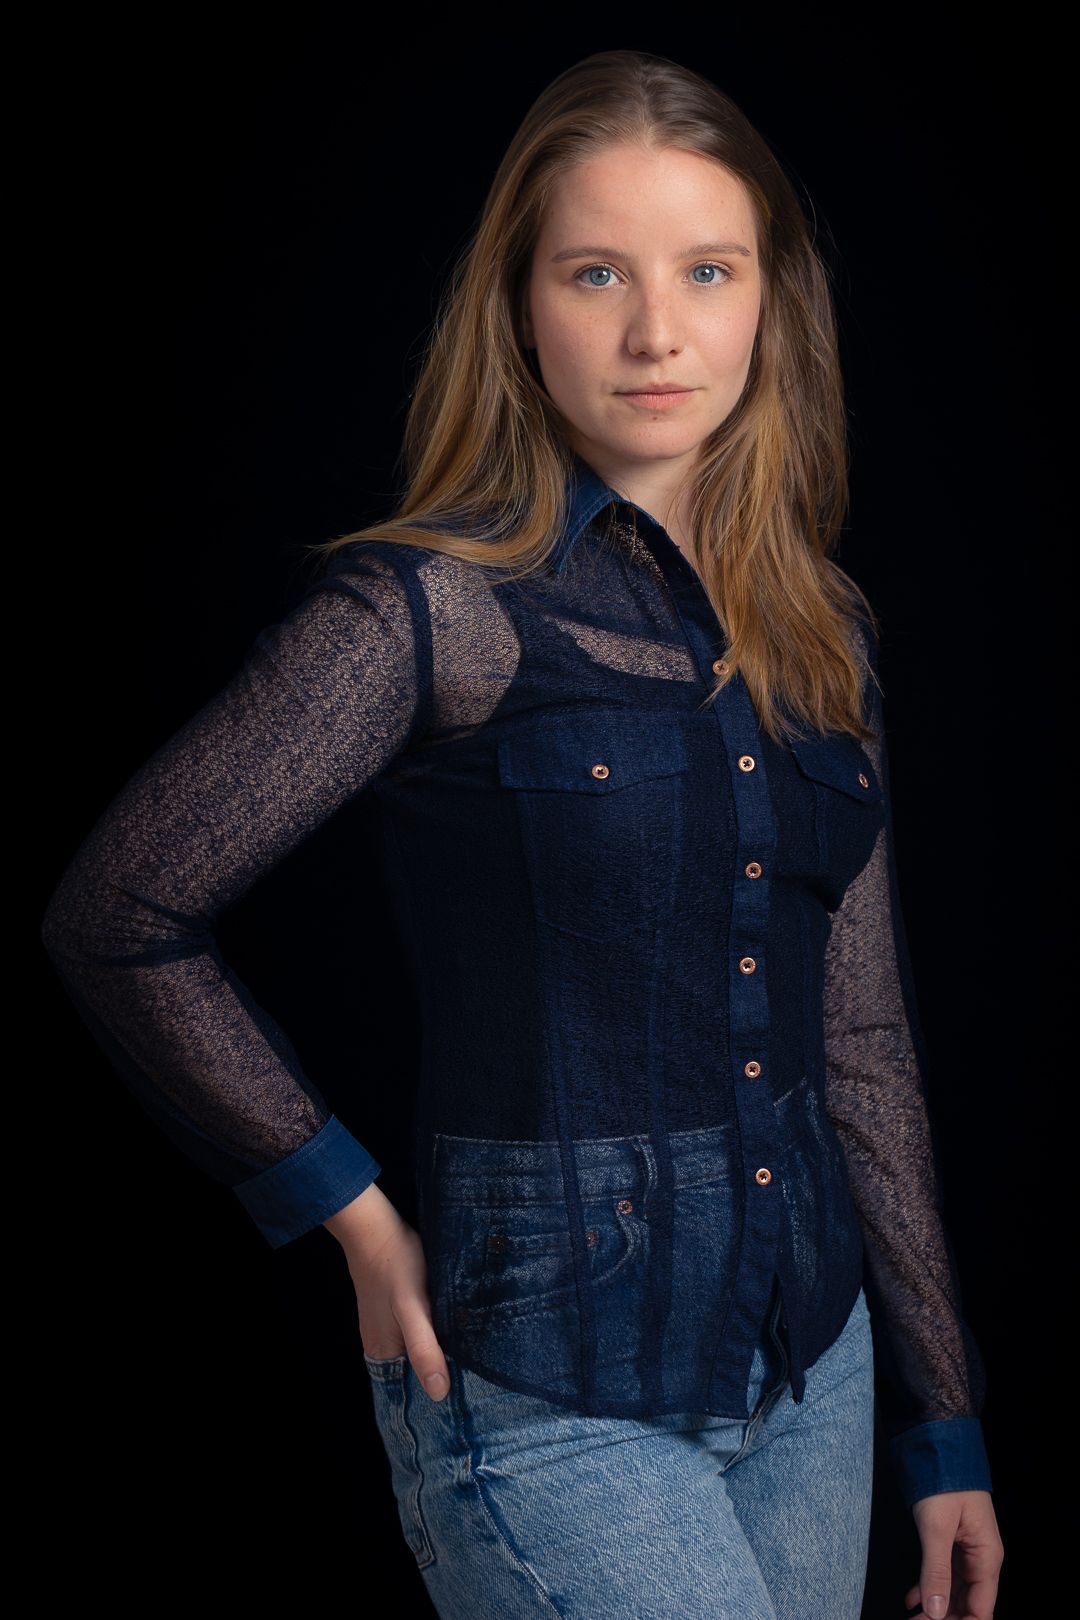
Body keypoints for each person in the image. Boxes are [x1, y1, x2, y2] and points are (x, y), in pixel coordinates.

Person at [40, 47, 1004, 1620]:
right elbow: (122, 910)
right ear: (520, 304)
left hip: (812, 1377)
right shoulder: (434, 610)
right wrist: (347, 1212)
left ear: (771, 301)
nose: (655, 330)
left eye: (707, 269)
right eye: (595, 272)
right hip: (546, 1395)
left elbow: (867, 1036)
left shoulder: (826, 631)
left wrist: (941, 1420)